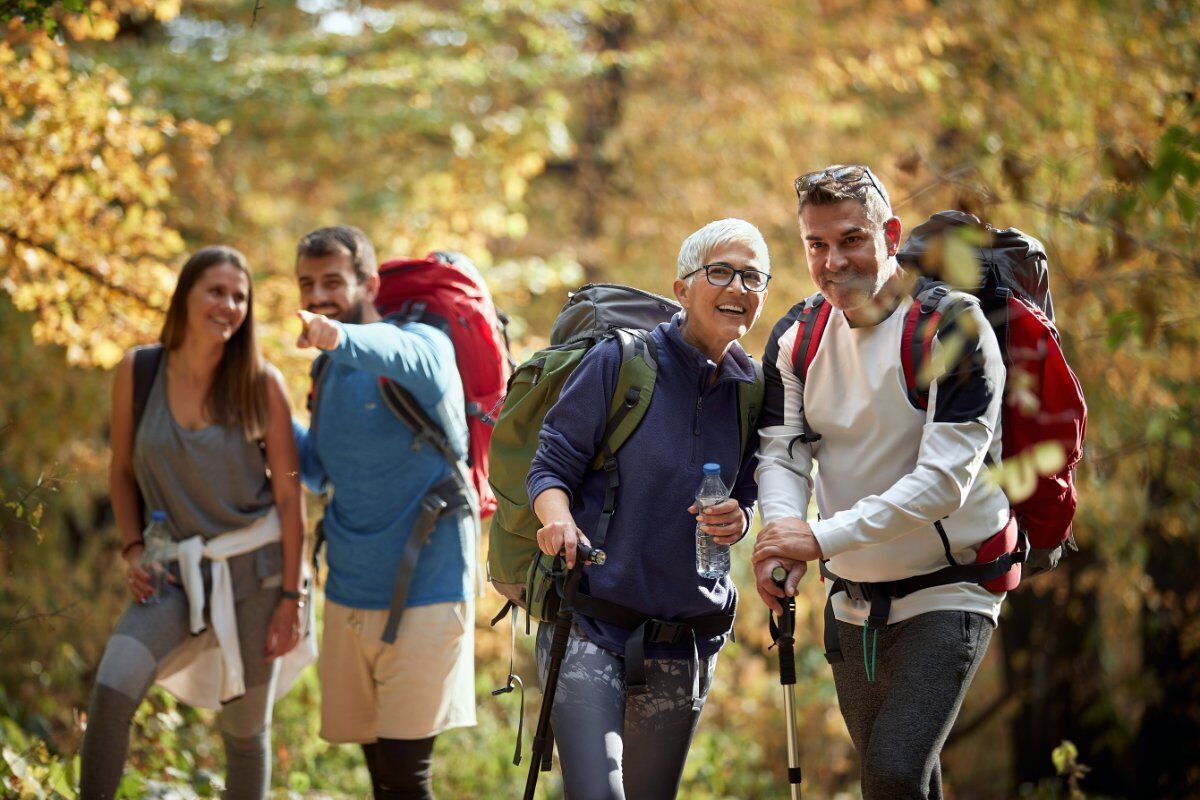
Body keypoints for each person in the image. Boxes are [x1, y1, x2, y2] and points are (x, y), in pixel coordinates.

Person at [751, 165, 1011, 799]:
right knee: (900, 782)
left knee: (892, 772)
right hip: (853, 598)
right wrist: (783, 538)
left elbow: (942, 483)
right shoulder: (797, 335)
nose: (833, 261)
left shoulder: (954, 327)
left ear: (890, 233)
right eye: (817, 245)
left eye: (851, 239)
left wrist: (817, 537)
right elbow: (783, 453)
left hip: (952, 585)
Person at [527, 218, 770, 799]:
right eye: (720, 272)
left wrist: (740, 518)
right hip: (591, 621)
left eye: (753, 277)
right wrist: (557, 519)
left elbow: (754, 491)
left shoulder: (755, 389)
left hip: (685, 638)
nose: (738, 287)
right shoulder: (621, 362)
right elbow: (550, 465)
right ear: (683, 287)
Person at [81, 246, 308, 800]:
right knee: (112, 692)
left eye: (240, 296)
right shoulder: (138, 371)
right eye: (216, 290)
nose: (229, 305)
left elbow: (289, 497)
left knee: (244, 733)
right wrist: (132, 548)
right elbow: (121, 470)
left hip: (258, 573)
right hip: (172, 565)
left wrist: (291, 597)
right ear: (185, 294)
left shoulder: (262, 384)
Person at [291, 226, 476, 800]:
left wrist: (336, 334)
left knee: (406, 776)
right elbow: (319, 469)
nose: (318, 294)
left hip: (430, 588)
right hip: (349, 587)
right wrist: (260, 410)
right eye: (306, 284)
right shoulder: (326, 370)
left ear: (368, 283)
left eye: (332, 281)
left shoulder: (424, 345)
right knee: (382, 779)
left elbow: (397, 352)